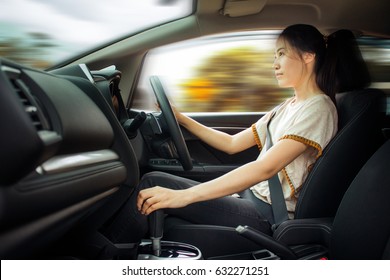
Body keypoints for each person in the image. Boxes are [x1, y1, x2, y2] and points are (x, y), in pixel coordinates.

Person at [101, 24, 370, 243]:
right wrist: (181, 118)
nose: (274, 63)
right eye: (274, 55)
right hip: (251, 198)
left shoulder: (318, 108)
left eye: (282, 54)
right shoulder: (287, 106)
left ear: (308, 56)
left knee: (153, 185)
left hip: (269, 214)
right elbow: (231, 144)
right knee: (157, 180)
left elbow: (265, 168)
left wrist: (185, 195)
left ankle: (103, 258)